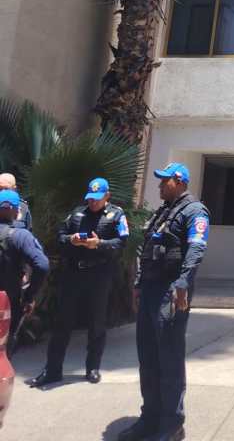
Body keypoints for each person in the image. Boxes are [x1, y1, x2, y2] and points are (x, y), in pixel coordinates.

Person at [119, 163, 210, 441]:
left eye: (164, 181)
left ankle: (172, 425)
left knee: (169, 358)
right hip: (149, 290)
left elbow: (196, 247)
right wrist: (138, 284)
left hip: (170, 292)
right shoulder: (163, 212)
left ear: (179, 181)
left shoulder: (194, 211)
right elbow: (147, 251)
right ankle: (150, 418)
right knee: (148, 358)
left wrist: (183, 283)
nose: (159, 185)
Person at [30, 177, 129, 387]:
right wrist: (71, 239)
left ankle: (92, 367)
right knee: (62, 323)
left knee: (97, 323)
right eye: (90, 198)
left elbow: (121, 243)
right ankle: (52, 370)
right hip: (73, 274)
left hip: (99, 275)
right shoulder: (77, 214)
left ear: (107, 196)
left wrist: (99, 244)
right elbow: (60, 236)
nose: (92, 202)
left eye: (97, 199)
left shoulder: (116, 215)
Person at [0, 188, 49, 356]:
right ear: (15, 210)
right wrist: (29, 296)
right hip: (7, 302)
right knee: (4, 352)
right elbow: (42, 265)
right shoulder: (20, 236)